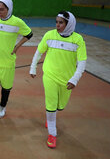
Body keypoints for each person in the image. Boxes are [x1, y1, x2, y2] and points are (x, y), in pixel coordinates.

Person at [29, 11, 87, 149]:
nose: (57, 25)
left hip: (67, 80)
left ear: (69, 23)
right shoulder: (50, 35)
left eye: (61, 22)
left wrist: (75, 79)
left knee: (59, 106)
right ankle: (52, 134)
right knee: (50, 104)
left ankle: (51, 116)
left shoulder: (78, 40)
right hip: (49, 75)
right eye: (56, 22)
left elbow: (82, 62)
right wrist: (33, 68)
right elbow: (39, 52)